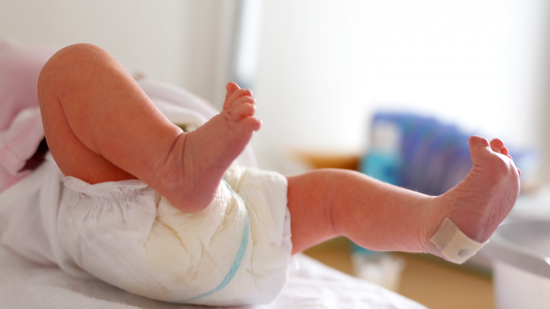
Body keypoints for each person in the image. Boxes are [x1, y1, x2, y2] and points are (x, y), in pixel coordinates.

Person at [10, 42, 522, 304]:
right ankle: (430, 225)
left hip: (230, 217)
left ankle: (437, 224)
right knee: (71, 65)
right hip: (140, 207)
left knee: (330, 195)